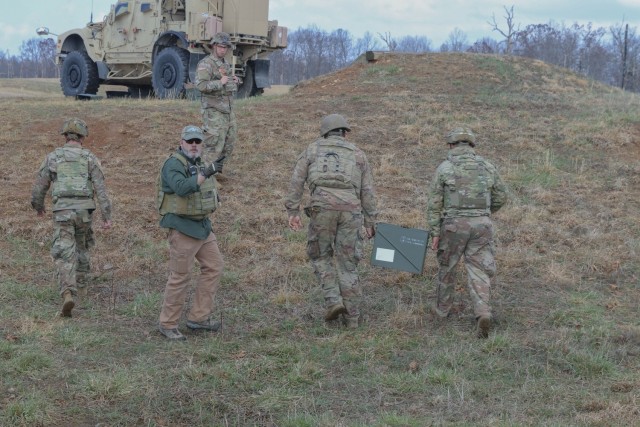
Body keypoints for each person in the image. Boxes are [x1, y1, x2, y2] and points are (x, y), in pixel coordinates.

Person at [285, 114, 378, 329]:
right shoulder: (357, 153)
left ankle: (334, 301)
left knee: (320, 256)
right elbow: (368, 191)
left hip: (322, 208)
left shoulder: (312, 150)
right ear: (344, 132)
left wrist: (293, 210)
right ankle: (353, 318)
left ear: (325, 133)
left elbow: (296, 181)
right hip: (351, 210)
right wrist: (370, 222)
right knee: (348, 263)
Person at [426, 127, 508, 338]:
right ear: (472, 146)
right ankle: (482, 312)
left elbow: (434, 203)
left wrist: (435, 232)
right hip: (482, 225)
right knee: (479, 269)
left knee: (447, 268)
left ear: (451, 145)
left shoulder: (444, 168)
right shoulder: (487, 166)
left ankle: (442, 311)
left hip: (453, 226)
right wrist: (484, 214)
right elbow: (501, 195)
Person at [30, 118, 112, 317]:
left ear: (65, 136)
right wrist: (106, 216)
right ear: (83, 137)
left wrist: (38, 207)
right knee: (83, 246)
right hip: (84, 211)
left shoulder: (53, 157)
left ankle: (68, 291)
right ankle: (82, 286)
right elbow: (101, 188)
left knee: (64, 250)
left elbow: (39, 187)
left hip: (62, 211)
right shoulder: (90, 158)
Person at [156, 125, 226, 340]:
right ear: (181, 143)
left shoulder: (199, 163)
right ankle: (167, 324)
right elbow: (181, 188)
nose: (194, 145)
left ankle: (199, 317)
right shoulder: (173, 164)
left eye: (197, 141)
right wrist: (206, 173)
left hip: (202, 227)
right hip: (182, 227)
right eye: (190, 141)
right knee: (180, 276)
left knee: (214, 267)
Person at [195, 32, 240, 164]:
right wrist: (220, 83)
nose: (223, 50)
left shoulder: (225, 64)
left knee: (228, 142)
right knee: (213, 145)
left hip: (227, 111)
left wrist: (234, 80)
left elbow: (226, 82)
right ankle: (206, 178)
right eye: (220, 47)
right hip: (213, 111)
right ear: (214, 46)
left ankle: (217, 172)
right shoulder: (206, 64)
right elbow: (200, 85)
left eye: (225, 48)